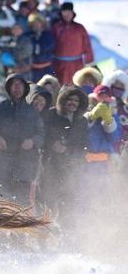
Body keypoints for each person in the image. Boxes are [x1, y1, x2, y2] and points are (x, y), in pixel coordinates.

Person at [0, 75, 44, 205]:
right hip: (0, 165)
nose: (17, 87)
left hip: (24, 166)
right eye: (13, 84)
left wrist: (33, 141)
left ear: (25, 88)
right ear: (8, 88)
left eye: (20, 84)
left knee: (21, 205)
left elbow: (42, 135)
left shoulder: (33, 112)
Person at [40, 86, 88, 226]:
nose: (73, 103)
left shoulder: (81, 121)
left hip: (71, 168)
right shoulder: (50, 115)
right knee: (48, 201)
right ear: (63, 100)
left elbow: (84, 144)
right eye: (70, 99)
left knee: (68, 203)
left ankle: (67, 237)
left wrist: (69, 150)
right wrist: (52, 144)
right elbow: (42, 135)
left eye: (76, 101)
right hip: (50, 166)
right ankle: (45, 236)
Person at [52, 2, 94, 85]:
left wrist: (89, 62)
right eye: (64, 12)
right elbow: (51, 45)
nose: (67, 14)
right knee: (60, 87)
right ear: (61, 13)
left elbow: (87, 46)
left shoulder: (79, 28)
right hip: (59, 65)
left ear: (72, 13)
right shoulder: (56, 27)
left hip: (76, 64)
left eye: (69, 12)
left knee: (76, 86)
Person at [101, 70, 128, 149]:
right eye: (117, 84)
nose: (120, 87)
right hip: (107, 145)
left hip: (123, 147)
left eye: (122, 86)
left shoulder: (125, 107)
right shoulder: (101, 103)